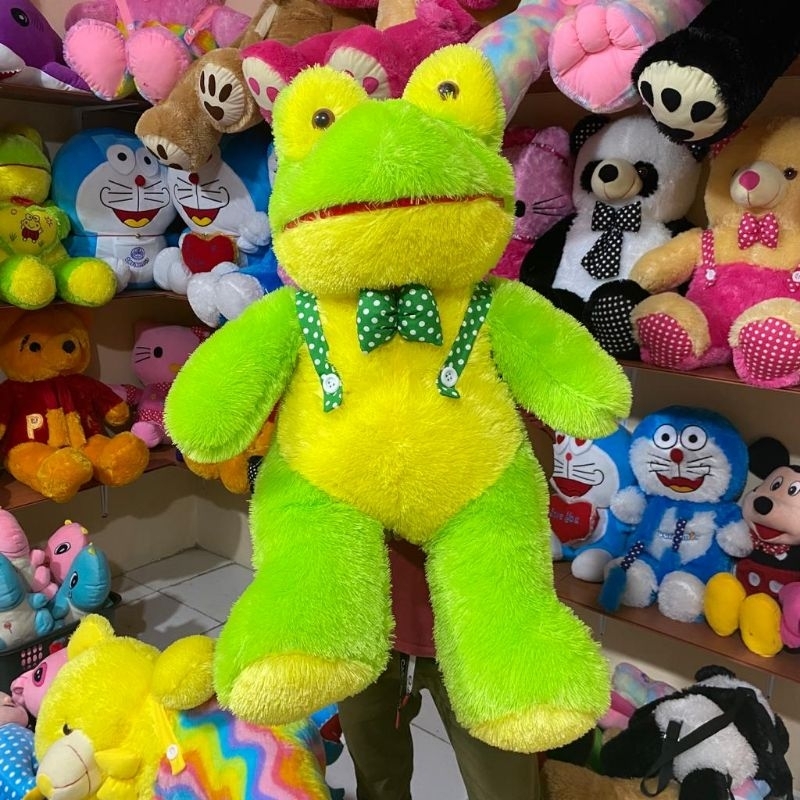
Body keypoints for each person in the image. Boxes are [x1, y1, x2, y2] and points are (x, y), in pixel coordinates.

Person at [336, 416, 553, 800]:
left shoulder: (498, 376)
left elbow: (538, 466)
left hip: (480, 625)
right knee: (377, 783)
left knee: (507, 789)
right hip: (365, 616)